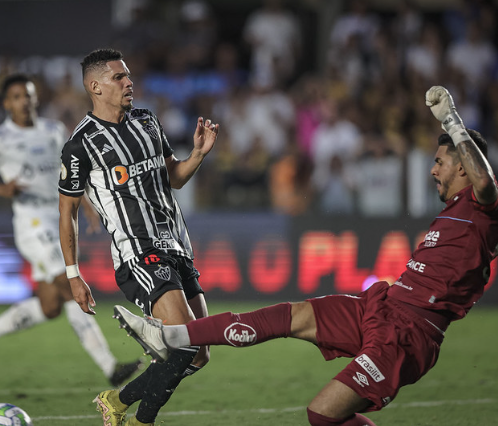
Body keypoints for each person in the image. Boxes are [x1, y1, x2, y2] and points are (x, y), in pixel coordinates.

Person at [112, 86, 498, 426]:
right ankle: (172, 336)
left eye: (440, 163)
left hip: (410, 334)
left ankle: (171, 340)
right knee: (287, 315)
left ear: (464, 167)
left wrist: (451, 119)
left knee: (323, 414)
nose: (432, 170)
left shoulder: (484, 209)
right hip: (381, 305)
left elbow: (486, 182)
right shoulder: (453, 210)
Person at [58, 48, 219, 426]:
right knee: (186, 342)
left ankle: (117, 400)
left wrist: (197, 154)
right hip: (138, 253)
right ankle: (141, 422)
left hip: (177, 246)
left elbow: (173, 177)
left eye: (128, 75)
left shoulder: (146, 121)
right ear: (95, 87)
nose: (129, 82)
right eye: (119, 77)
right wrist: (72, 273)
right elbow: (68, 211)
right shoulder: (80, 145)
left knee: (199, 354)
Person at [0, 73, 142, 387]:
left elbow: (70, 171)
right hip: (32, 225)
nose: (25, 101)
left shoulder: (53, 130)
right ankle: (110, 366)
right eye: (17, 96)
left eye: (29, 95)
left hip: (60, 217)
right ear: (7, 103)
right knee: (69, 284)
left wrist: (85, 200)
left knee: (50, 306)